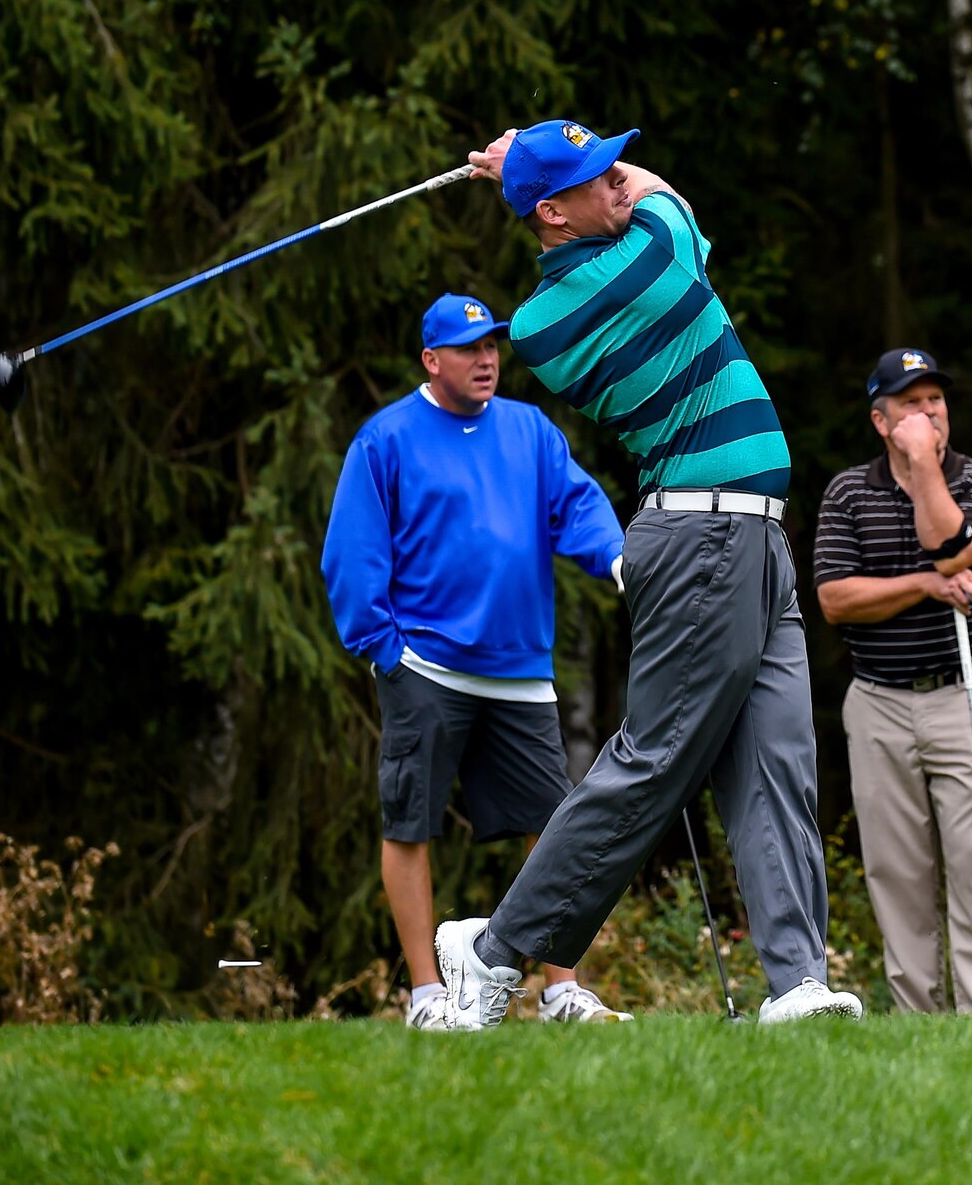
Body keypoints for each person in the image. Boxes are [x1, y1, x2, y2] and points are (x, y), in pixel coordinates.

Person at [431, 118, 863, 1028]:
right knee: (654, 761)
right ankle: (494, 949)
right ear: (552, 212)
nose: (612, 185)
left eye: (607, 169)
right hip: (702, 542)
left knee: (778, 762)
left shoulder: (603, 263)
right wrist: (533, 161)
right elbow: (666, 199)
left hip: (756, 542)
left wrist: (535, 163)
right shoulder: (564, 310)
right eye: (590, 179)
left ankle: (796, 984)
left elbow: (640, 198)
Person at [321, 294, 632, 1030]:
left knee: (555, 825)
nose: (487, 359)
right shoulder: (386, 437)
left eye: (492, 346)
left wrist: (617, 557)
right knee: (410, 824)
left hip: (520, 668)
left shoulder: (529, 430)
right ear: (432, 360)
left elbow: (578, 507)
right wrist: (383, 648)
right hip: (425, 665)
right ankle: (428, 996)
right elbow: (353, 552)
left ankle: (561, 989)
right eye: (469, 349)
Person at [812, 348, 972, 1013]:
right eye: (911, 403)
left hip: (966, 695)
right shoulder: (849, 491)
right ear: (881, 420)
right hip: (877, 702)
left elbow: (954, 547)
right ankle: (917, 1020)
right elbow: (837, 599)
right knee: (898, 872)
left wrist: (926, 464)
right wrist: (928, 586)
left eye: (935, 400)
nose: (928, 412)